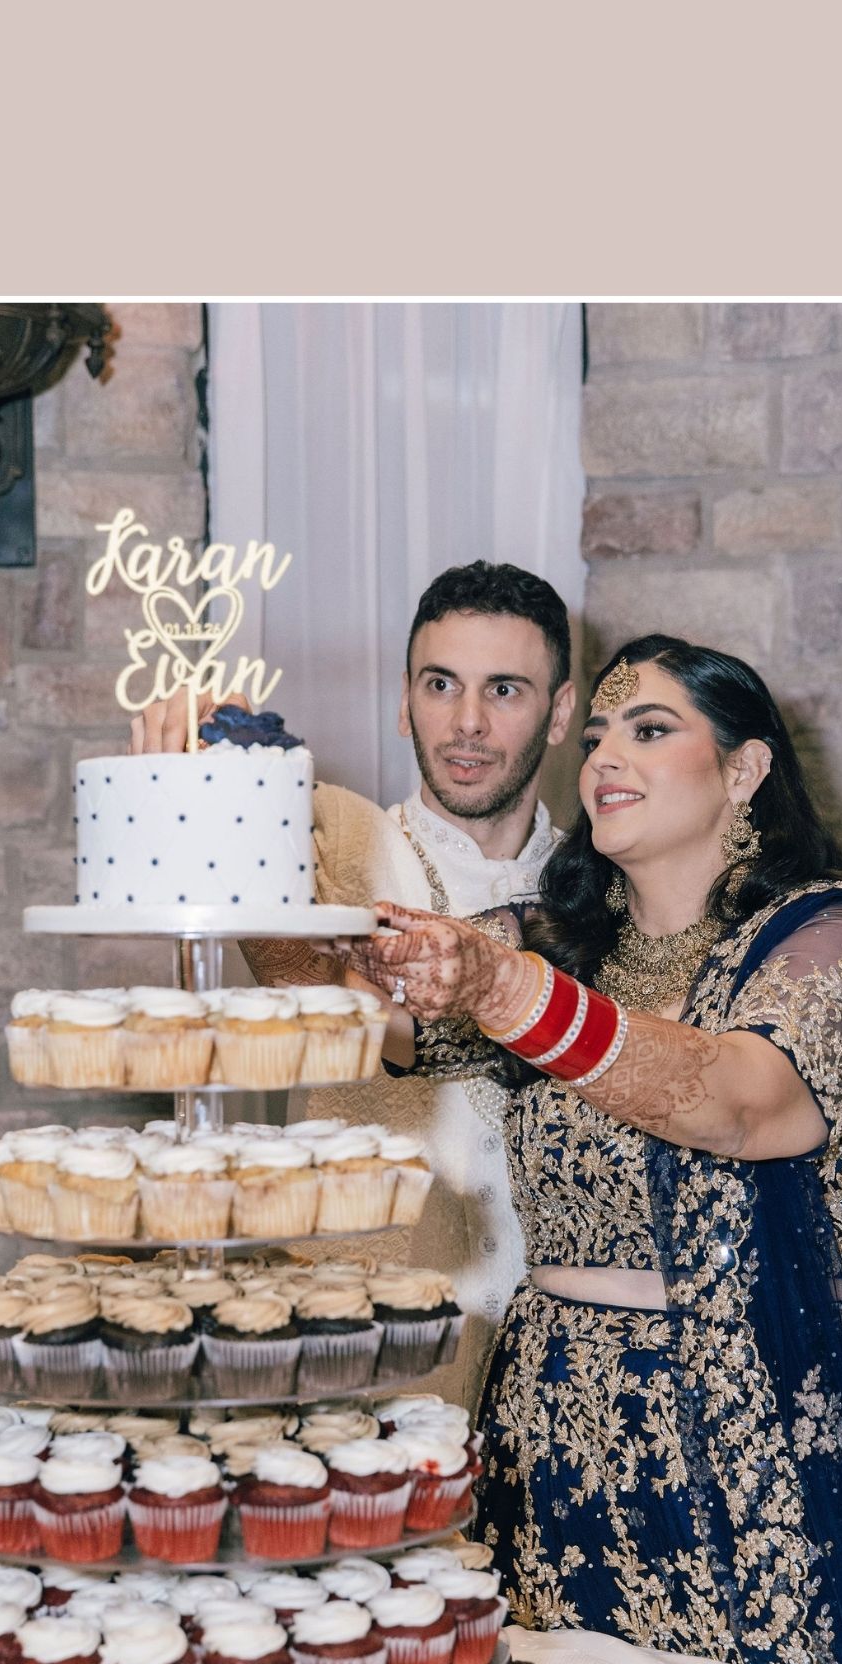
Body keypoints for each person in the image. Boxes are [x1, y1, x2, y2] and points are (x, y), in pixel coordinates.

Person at [344, 635, 842, 1664]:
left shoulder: (837, 938)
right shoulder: (563, 945)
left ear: (746, 768)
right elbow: (362, 1013)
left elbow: (739, 1102)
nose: (604, 757)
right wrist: (220, 826)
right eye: (598, 734)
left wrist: (504, 986)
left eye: (651, 729)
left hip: (769, 1439)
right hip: (560, 1437)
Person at [128, 561, 579, 1405]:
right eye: (440, 684)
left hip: (561, 1368)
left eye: (504, 690)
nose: (468, 722)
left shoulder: (603, 881)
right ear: (404, 702)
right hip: (370, 1359)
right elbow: (242, 864)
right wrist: (204, 751)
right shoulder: (335, 832)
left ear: (559, 714)